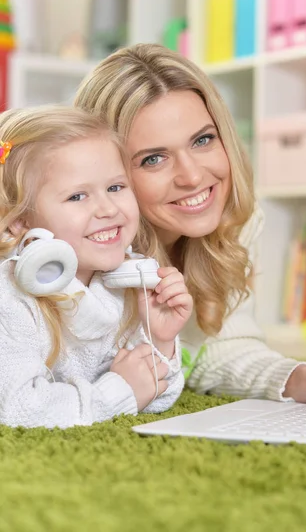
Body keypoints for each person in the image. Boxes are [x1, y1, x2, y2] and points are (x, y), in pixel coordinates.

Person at [75, 43, 306, 409]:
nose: (193, 175)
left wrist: (303, 379)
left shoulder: (232, 220)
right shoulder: (79, 252)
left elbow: (219, 347)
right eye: (153, 159)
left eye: (203, 140)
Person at [0, 105, 192, 429]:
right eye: (77, 196)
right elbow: (17, 409)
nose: (107, 208)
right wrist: (119, 392)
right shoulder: (12, 300)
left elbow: (154, 396)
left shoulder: (118, 284)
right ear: (20, 222)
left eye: (116, 187)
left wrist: (159, 341)